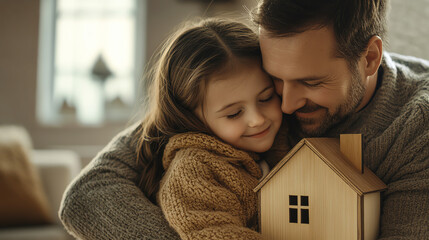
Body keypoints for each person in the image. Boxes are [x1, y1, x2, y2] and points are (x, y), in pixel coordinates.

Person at [59, 0, 428, 239]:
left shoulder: (417, 121)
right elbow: (87, 195)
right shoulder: (249, 79)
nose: (284, 105)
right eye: (276, 81)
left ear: (369, 58)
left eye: (310, 82)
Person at [139, 18, 283, 239]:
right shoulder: (193, 170)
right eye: (234, 113)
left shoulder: (286, 137)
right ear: (189, 117)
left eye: (266, 97)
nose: (257, 120)